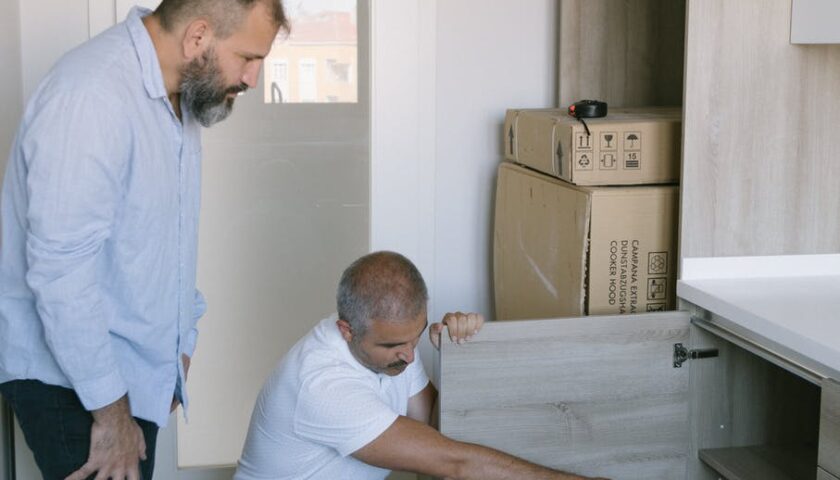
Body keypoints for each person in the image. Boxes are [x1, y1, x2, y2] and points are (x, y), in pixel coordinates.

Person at [0, 1, 288, 479]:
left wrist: (180, 344)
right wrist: (112, 415)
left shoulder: (178, 101)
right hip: (77, 385)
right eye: (248, 58)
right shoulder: (93, 93)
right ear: (197, 38)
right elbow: (60, 270)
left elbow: (162, 240)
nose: (253, 79)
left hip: (121, 381)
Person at [234, 251, 606, 480]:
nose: (411, 357)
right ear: (346, 330)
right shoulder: (322, 387)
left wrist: (459, 355)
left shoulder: (393, 346)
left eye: (415, 339)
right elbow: (453, 461)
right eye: (396, 345)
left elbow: (435, 424)